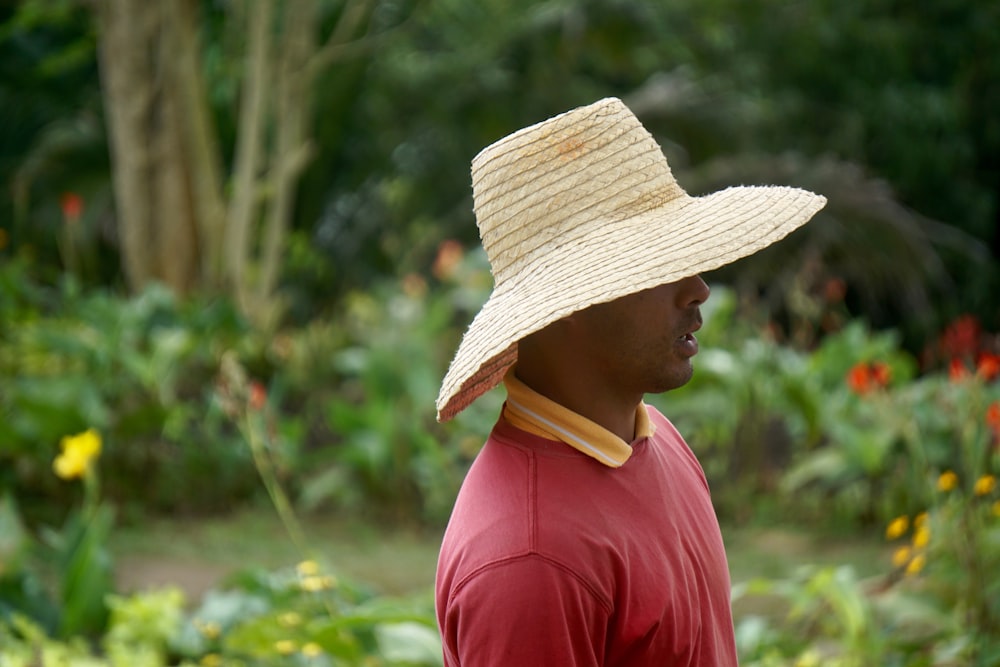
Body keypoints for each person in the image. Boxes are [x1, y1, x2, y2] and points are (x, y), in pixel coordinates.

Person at [434, 97, 826, 666]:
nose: (698, 289)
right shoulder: (531, 558)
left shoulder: (656, 438)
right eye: (656, 267)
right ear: (568, 303)